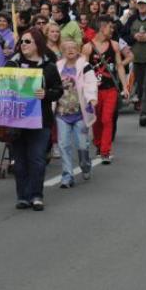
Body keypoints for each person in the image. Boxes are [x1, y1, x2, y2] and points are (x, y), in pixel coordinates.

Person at [5, 28, 63, 211]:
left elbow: (58, 90)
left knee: (37, 159)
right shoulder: (12, 65)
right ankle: (22, 196)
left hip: (40, 121)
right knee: (20, 161)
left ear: (37, 43)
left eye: (27, 41)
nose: (23, 45)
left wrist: (46, 94)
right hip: (17, 120)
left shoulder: (49, 67)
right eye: (21, 42)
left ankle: (37, 195)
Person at [83, 15, 129, 163]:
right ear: (102, 28)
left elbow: (120, 66)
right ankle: (98, 145)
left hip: (110, 89)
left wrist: (125, 86)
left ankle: (105, 151)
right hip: (94, 91)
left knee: (107, 119)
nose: (112, 30)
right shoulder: (88, 47)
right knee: (96, 121)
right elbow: (82, 69)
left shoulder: (114, 45)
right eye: (110, 27)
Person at [55, 40, 98, 188]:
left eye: (73, 48)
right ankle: (67, 176)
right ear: (62, 51)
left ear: (78, 50)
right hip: (61, 112)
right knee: (63, 145)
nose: (70, 50)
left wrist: (92, 98)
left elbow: (91, 83)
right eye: (66, 48)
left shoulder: (84, 66)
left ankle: (85, 165)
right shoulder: (58, 67)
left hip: (80, 113)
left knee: (82, 144)